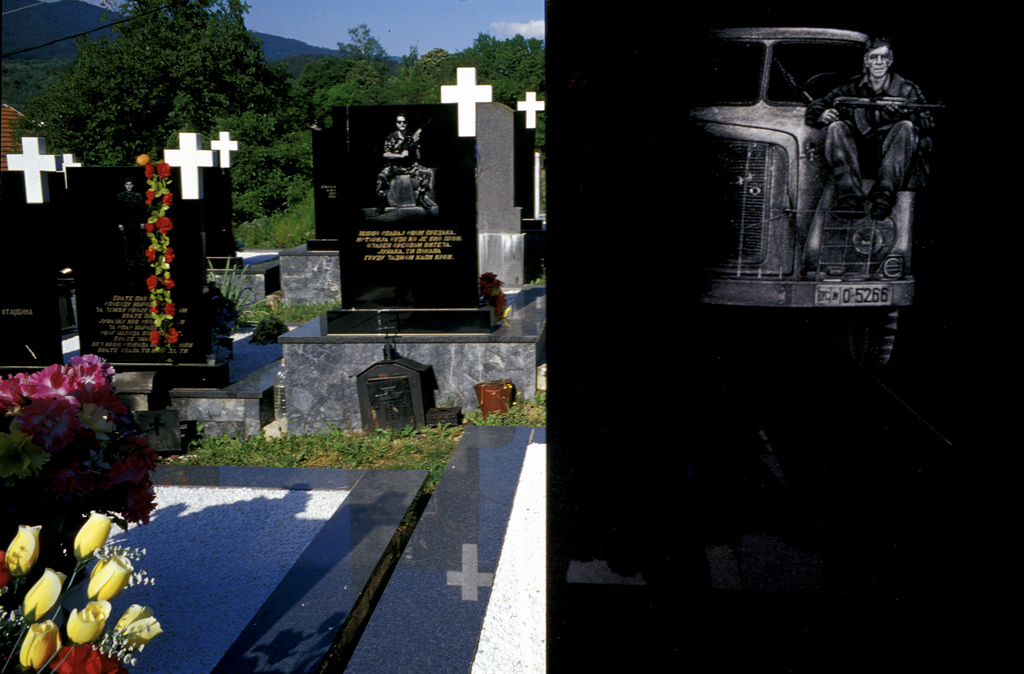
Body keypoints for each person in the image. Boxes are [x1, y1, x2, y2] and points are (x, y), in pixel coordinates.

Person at [806, 37, 935, 221]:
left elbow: (928, 123)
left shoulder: (906, 90)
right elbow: (818, 104)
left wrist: (905, 115)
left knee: (906, 128)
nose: (879, 63)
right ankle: (850, 199)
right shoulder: (852, 87)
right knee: (836, 127)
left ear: (890, 61)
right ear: (866, 60)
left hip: (891, 160)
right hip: (859, 157)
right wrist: (821, 114)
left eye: (884, 58)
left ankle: (883, 198)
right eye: (874, 58)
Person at [375, 114, 436, 214]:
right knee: (381, 176)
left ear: (407, 123)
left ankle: (421, 199)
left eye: (404, 122)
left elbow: (418, 157)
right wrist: (400, 155)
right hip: (393, 166)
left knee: (427, 172)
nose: (402, 124)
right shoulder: (391, 137)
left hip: (408, 166)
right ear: (396, 124)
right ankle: (382, 204)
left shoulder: (410, 136)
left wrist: (417, 145)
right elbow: (386, 154)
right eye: (399, 122)